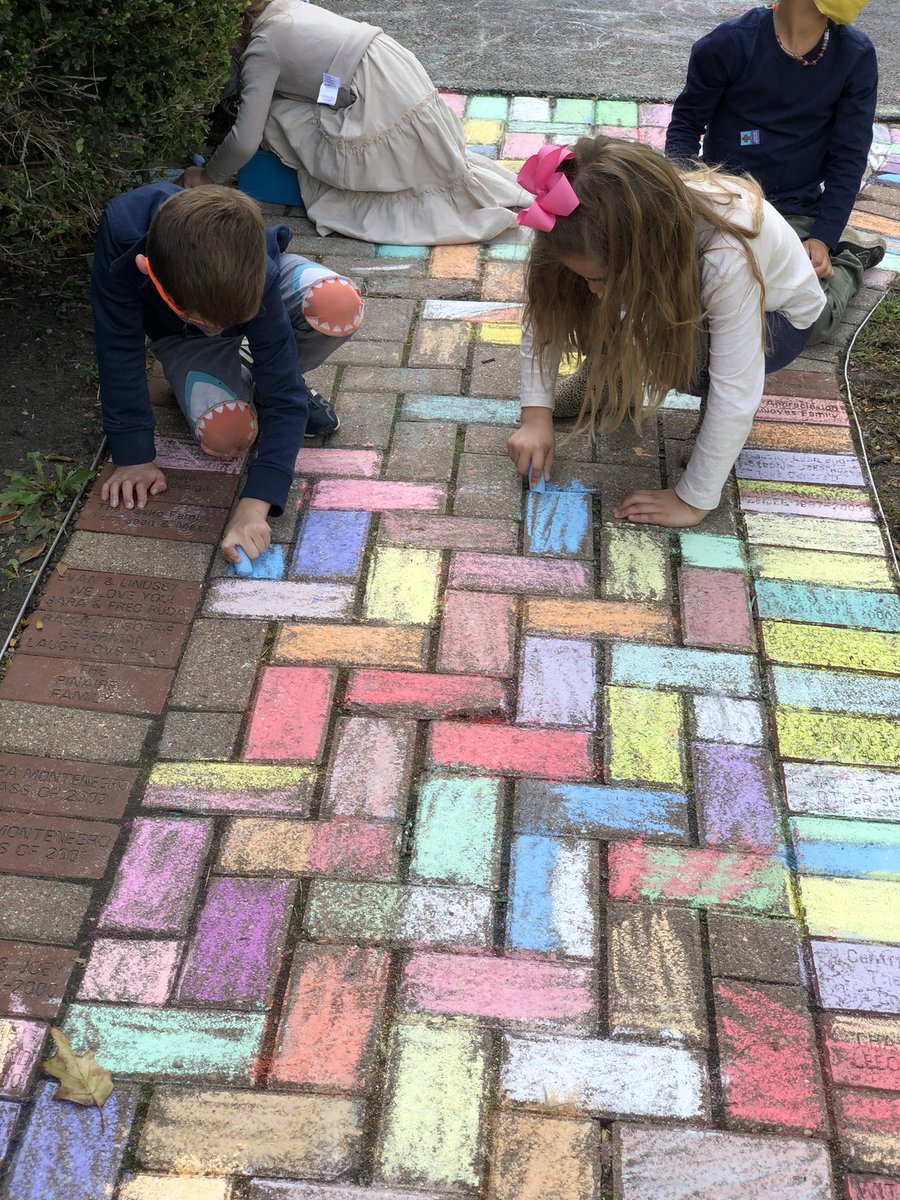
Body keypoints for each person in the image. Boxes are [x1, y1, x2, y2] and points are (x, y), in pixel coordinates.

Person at [506, 138, 826, 528]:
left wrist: (693, 500)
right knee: (575, 291)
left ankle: (845, 269)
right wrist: (535, 416)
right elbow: (544, 311)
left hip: (779, 321)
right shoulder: (592, 216)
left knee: (687, 359)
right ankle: (610, 381)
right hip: (686, 290)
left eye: (599, 277)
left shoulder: (726, 257)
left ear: (646, 254)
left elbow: (736, 388)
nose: (592, 289)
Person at [91, 183, 363, 563]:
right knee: (226, 434)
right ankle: (245, 372)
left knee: (336, 303)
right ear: (147, 271)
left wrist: (255, 505)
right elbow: (118, 348)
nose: (220, 331)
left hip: (251, 292)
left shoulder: (257, 274)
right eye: (207, 322)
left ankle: (260, 374)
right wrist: (133, 455)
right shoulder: (123, 237)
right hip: (182, 338)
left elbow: (285, 398)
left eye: (232, 324)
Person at [180, 0, 529, 244]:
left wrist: (208, 177)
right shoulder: (287, 10)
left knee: (270, 114)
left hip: (383, 104)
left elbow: (244, 138)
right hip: (401, 80)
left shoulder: (261, 49)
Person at [665, 0, 882, 346]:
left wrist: (824, 237)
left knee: (812, 319)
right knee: (688, 299)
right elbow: (685, 127)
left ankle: (849, 256)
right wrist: (686, 203)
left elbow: (849, 156)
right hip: (725, 205)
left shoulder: (854, 56)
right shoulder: (728, 45)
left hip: (796, 212)